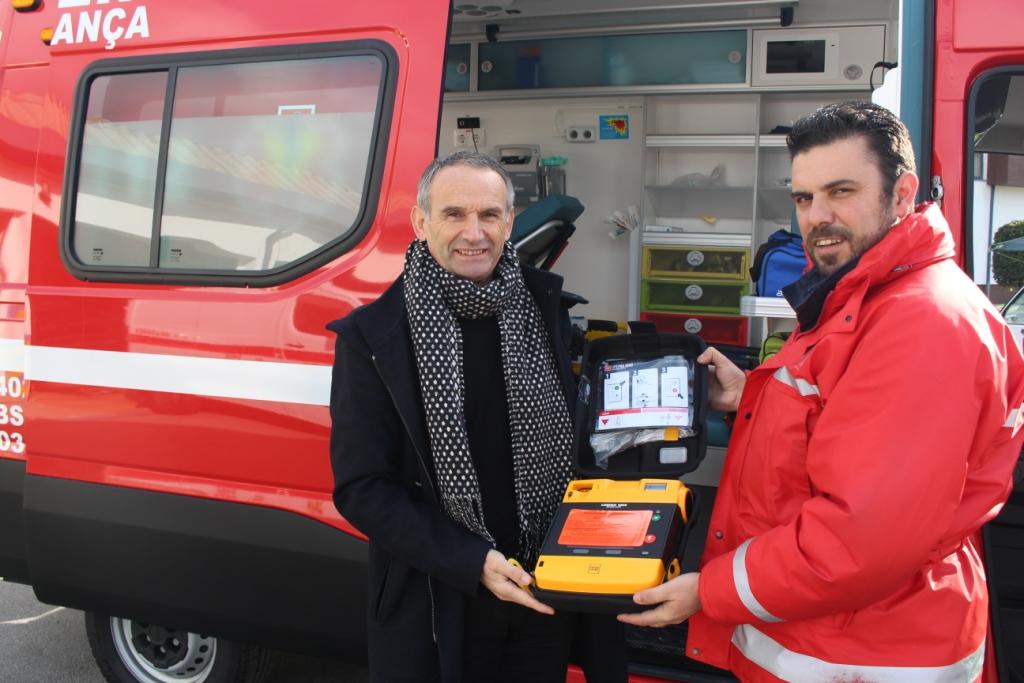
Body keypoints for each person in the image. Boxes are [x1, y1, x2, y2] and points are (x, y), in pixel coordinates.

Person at [619, 101, 1024, 681]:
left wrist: (709, 591)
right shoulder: (870, 297)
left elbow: (857, 541)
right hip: (827, 635)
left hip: (862, 651)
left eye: (841, 192)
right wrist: (748, 397)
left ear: (903, 193)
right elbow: (836, 418)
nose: (818, 217)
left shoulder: (920, 323)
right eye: (805, 198)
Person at [328, 151, 625, 683]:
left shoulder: (546, 310)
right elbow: (362, 487)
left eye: (489, 215)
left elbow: (580, 442)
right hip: (443, 595)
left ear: (510, 222)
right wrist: (471, 562)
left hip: (542, 583)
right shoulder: (373, 338)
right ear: (421, 223)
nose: (474, 233)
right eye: (454, 214)